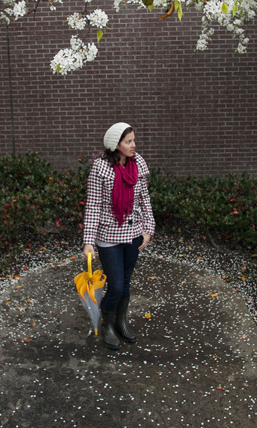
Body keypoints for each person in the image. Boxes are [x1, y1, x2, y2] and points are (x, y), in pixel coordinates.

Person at [82, 122, 155, 350]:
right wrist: (88, 241)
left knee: (126, 282)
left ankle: (121, 322)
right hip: (109, 236)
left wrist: (148, 228)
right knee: (116, 285)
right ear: (116, 145)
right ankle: (107, 325)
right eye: (128, 141)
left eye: (134, 140)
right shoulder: (100, 168)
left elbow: (144, 199)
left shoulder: (138, 163)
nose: (134, 145)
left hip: (133, 234)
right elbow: (93, 205)